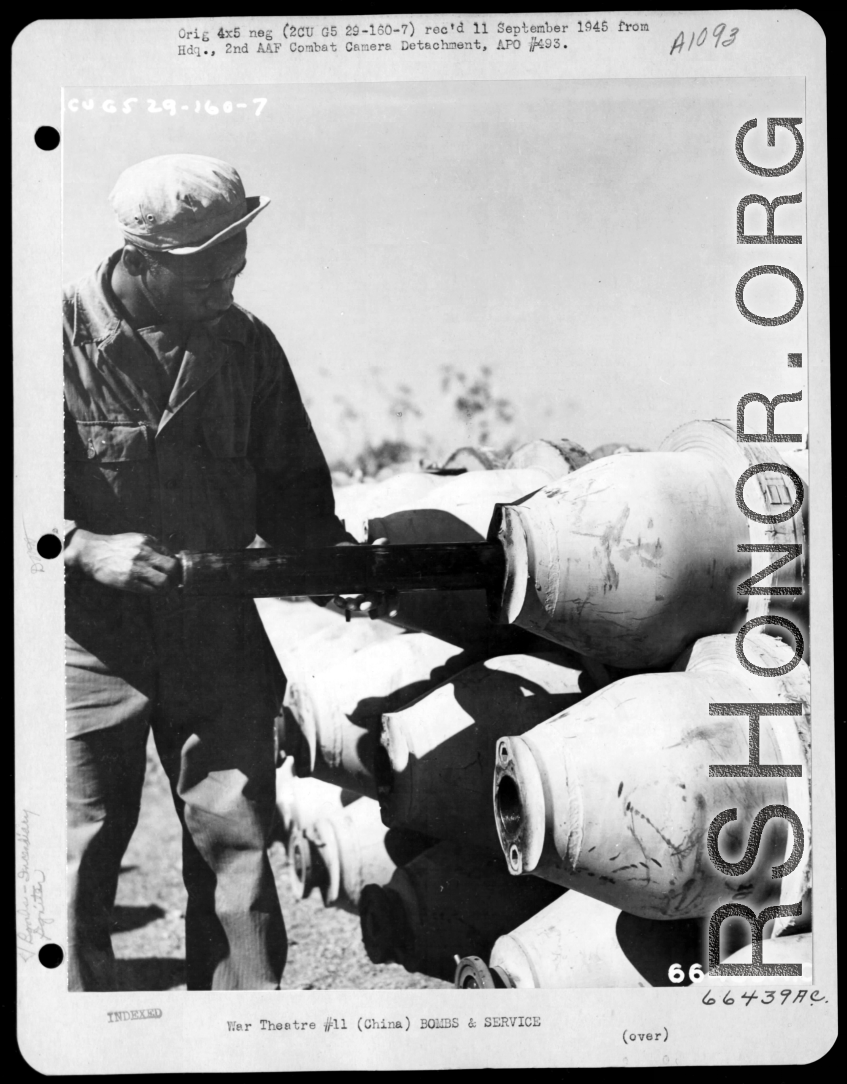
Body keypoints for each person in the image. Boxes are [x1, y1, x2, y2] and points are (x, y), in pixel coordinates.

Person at [63, 153, 375, 991]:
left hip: (216, 633)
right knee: (78, 850)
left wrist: (334, 562)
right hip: (85, 643)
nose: (230, 284)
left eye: (238, 259)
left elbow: (294, 492)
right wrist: (85, 545)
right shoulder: (45, 335)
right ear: (142, 259)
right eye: (208, 268)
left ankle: (244, 1034)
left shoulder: (246, 345)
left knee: (237, 840)